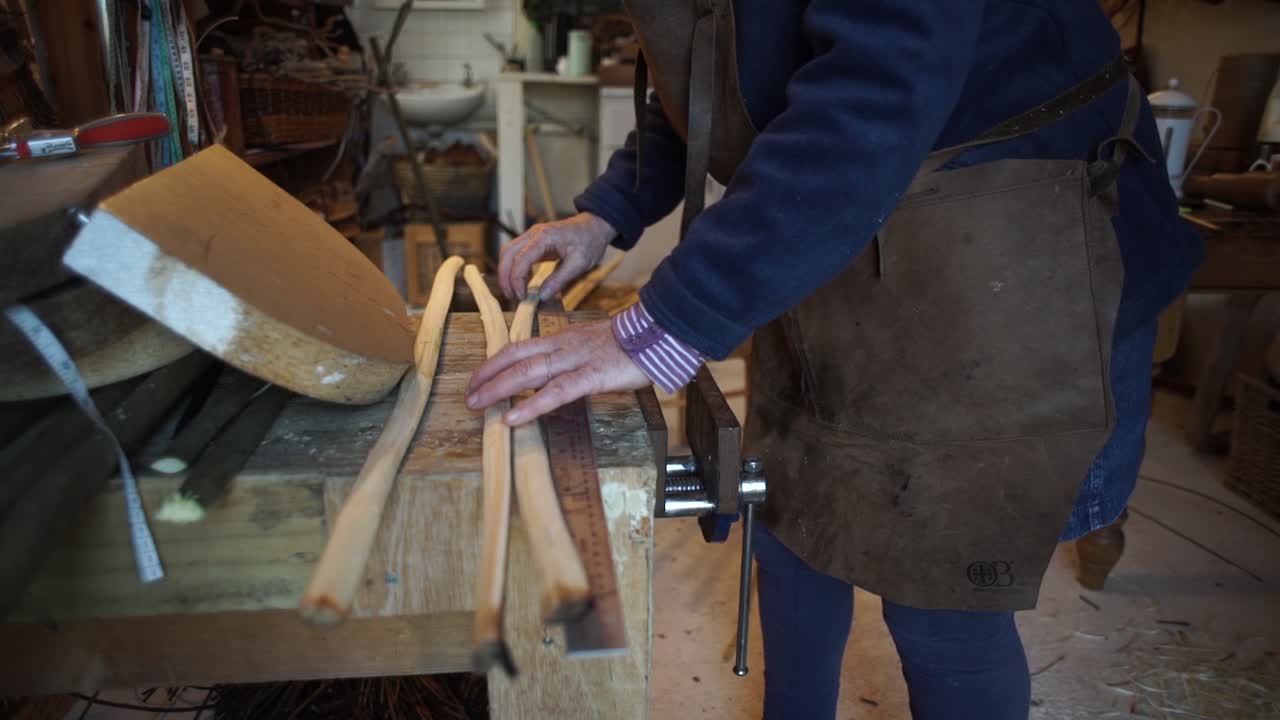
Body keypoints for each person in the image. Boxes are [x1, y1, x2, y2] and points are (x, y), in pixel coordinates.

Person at [466, 1, 1203, 718]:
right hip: (835, 214)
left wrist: (664, 325)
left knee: (940, 600)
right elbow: (720, 60)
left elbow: (877, 88)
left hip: (1007, 228)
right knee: (790, 530)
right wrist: (610, 211)